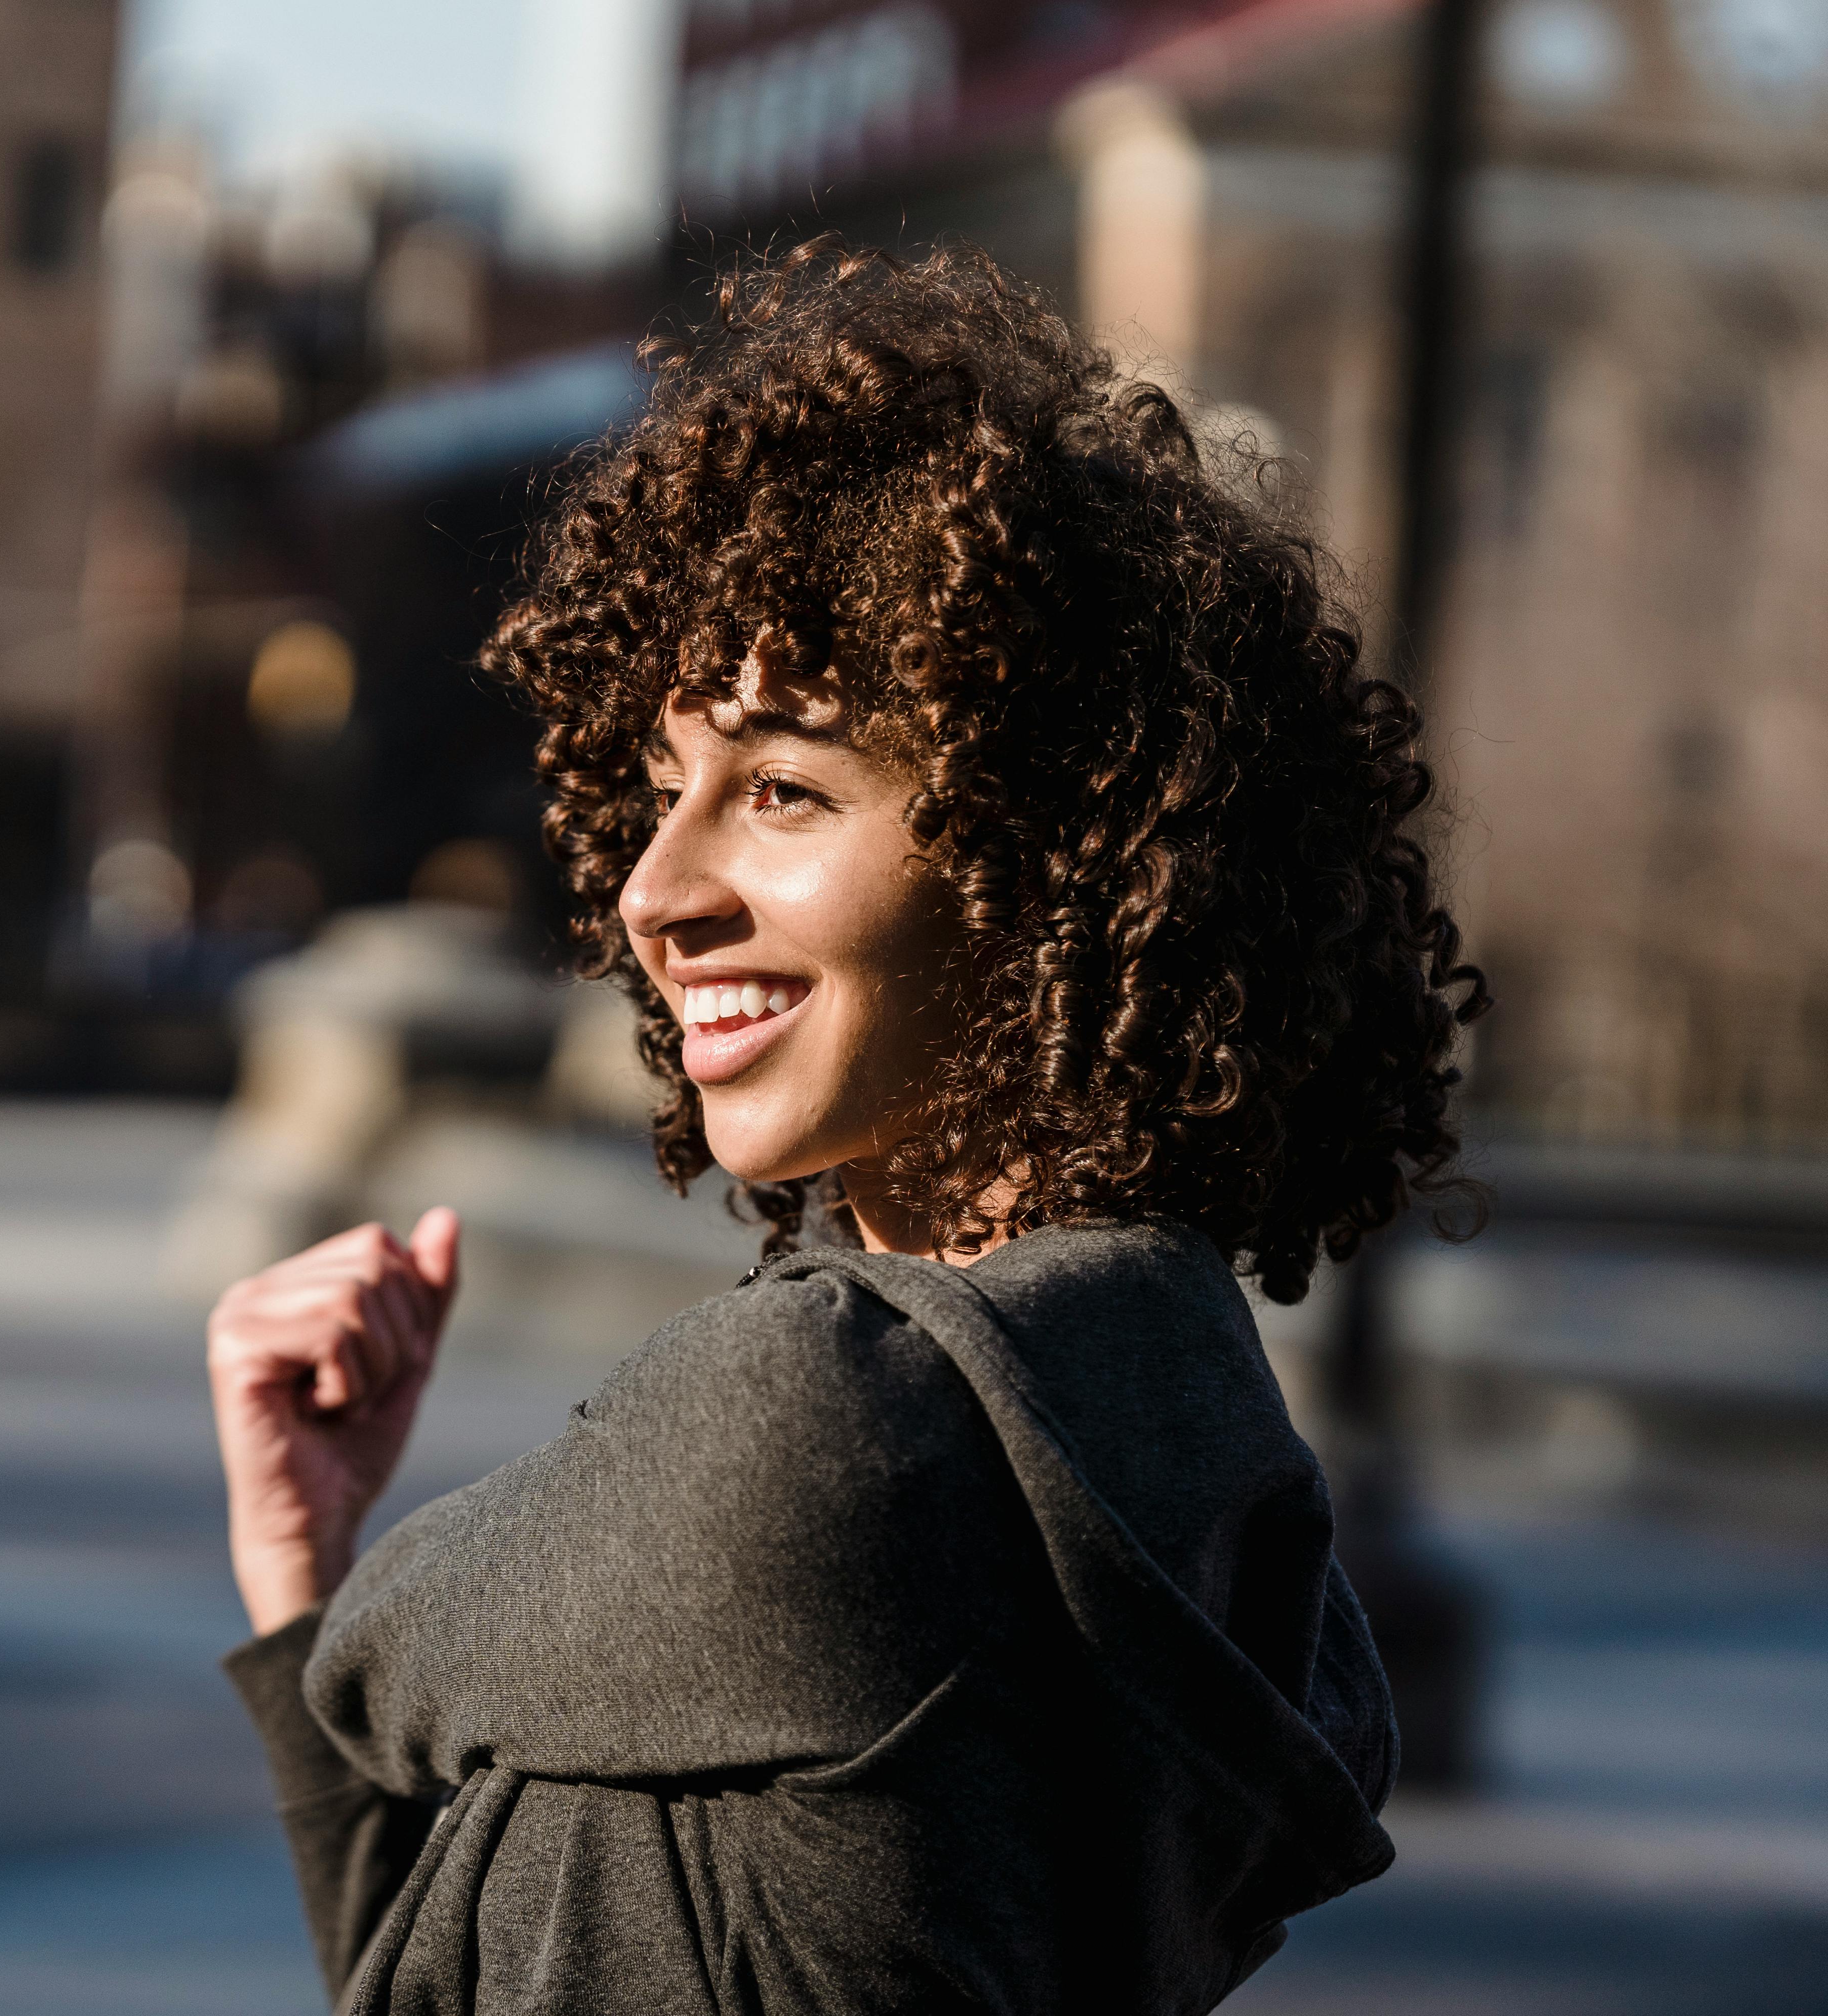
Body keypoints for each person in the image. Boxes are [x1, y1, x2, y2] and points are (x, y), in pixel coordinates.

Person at [205, 241, 1484, 2014]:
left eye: (787, 790)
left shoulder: (826, 1424)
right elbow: (504, 1961)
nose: (652, 891)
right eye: (665, 790)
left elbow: (387, 1672)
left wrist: (337, 1606)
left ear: (1062, 863)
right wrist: (304, 1555)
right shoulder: (1198, 1479)